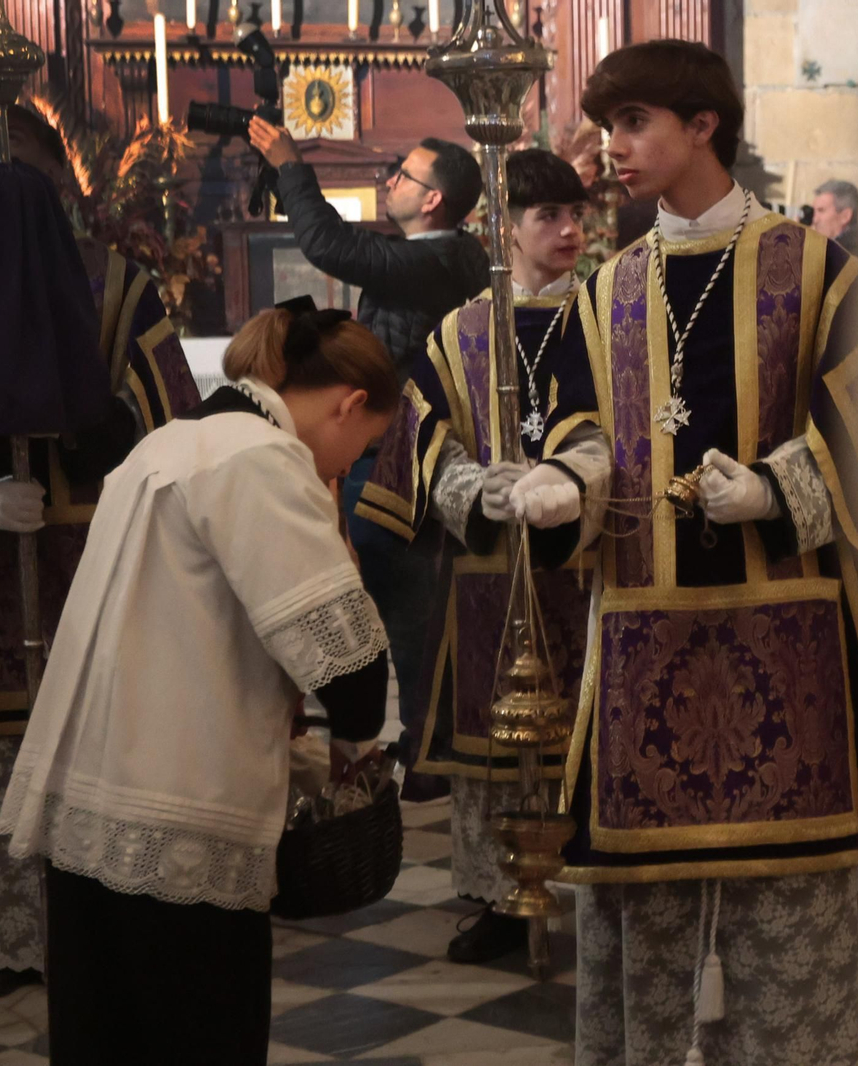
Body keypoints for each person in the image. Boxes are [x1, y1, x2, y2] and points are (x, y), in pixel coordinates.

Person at [506, 39, 858, 1066]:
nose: (610, 149)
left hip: (783, 629)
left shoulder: (811, 264)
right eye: (608, 126)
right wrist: (562, 484)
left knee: (787, 908)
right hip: (637, 631)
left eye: (634, 125)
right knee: (639, 909)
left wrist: (780, 483)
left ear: (702, 125)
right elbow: (585, 428)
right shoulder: (610, 282)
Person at [0, 302, 399, 1065]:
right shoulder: (258, 457)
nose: (345, 469)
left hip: (93, 804)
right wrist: (355, 742)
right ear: (349, 404)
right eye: (363, 445)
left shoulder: (166, 444)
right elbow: (347, 664)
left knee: (103, 1034)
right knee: (196, 1036)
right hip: (179, 815)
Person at [0, 105, 201, 998]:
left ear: (58, 180)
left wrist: (101, 432)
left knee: (91, 749)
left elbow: (178, 426)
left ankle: (101, 927)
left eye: (19, 168)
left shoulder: (115, 285)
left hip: (88, 562)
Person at [354, 147, 603, 964]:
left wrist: (573, 483)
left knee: (587, 730)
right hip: (487, 571)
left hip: (587, 567)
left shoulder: (606, 318)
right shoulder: (464, 328)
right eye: (549, 218)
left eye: (577, 216)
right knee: (492, 741)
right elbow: (423, 430)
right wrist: (471, 490)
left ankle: (598, 885)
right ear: (506, 227)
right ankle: (502, 897)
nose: (569, 232)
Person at [248, 118, 490, 788]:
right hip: (386, 453)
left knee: (409, 610)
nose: (392, 183)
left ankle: (429, 749)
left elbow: (328, 244)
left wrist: (290, 162)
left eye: (404, 175)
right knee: (399, 604)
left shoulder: (437, 259)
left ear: (434, 199)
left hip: (403, 462)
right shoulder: (433, 255)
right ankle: (422, 739)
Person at [811, 178, 858, 254]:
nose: (815, 220)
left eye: (821, 210)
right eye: (814, 211)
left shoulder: (851, 255)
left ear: (845, 216)